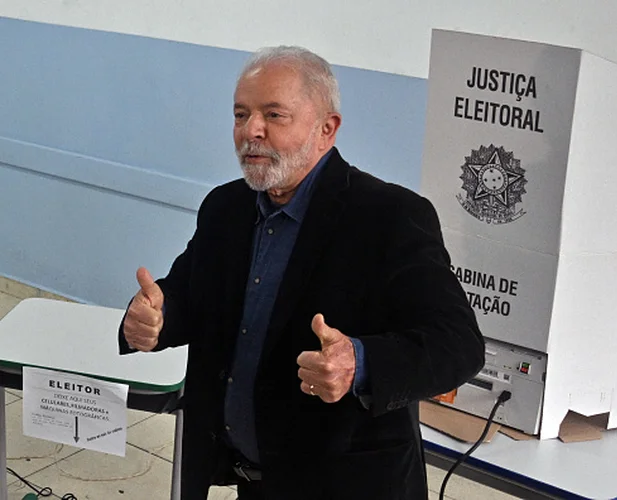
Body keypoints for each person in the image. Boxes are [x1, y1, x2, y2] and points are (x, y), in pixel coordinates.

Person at [119, 46, 484, 500]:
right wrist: (155, 319)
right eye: (241, 114)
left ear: (326, 129)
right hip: (247, 477)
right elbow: (189, 299)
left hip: (343, 485)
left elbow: (459, 345)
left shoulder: (389, 217)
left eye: (274, 115)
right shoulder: (225, 207)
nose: (251, 130)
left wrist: (360, 362)